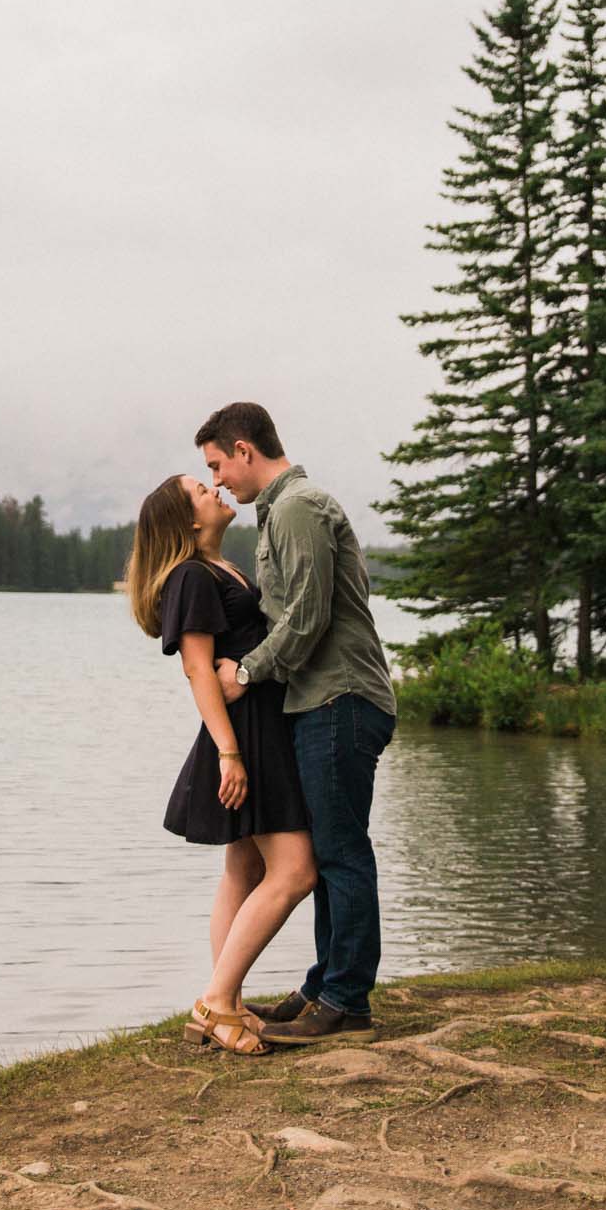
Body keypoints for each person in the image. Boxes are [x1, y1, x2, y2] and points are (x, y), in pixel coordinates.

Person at [195, 402, 397, 1045]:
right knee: (329, 848)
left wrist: (246, 674)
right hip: (318, 702)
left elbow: (305, 618)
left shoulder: (297, 507)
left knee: (340, 852)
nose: (219, 480)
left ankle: (346, 1003)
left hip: (339, 698)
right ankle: (323, 985)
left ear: (245, 449)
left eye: (218, 465)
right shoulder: (277, 513)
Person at [127, 472, 316, 1057]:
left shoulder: (223, 569)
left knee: (243, 870)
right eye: (201, 492)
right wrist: (229, 753)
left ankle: (226, 1004)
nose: (216, 491)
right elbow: (197, 669)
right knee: (295, 871)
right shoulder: (191, 576)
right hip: (244, 737)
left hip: (258, 729)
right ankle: (216, 1000)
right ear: (187, 520)